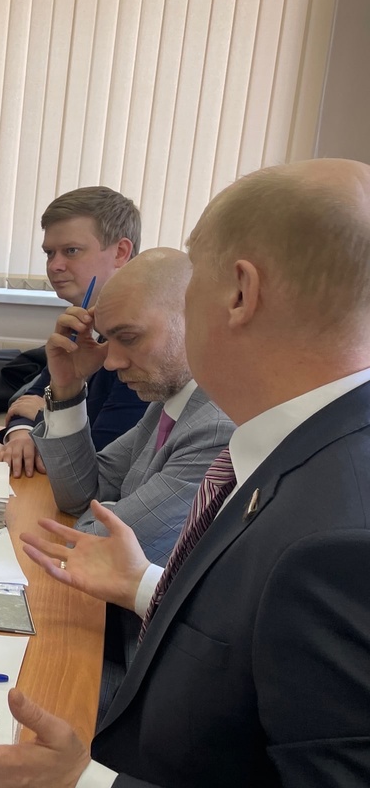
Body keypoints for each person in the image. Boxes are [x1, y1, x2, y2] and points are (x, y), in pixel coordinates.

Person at [0, 158, 370, 788]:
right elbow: (253, 645)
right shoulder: (300, 445)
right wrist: (145, 585)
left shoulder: (339, 540)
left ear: (240, 292)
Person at [31, 248, 234, 714]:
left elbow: (93, 544)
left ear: (195, 319)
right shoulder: (172, 402)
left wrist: (99, 514)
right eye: (107, 339)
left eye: (129, 338)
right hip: (106, 625)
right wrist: (66, 386)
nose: (110, 361)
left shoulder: (216, 427)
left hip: (139, 677)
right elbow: (81, 493)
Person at [0, 187, 148, 477]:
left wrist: (43, 415)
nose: (55, 266)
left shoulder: (142, 341)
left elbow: (103, 452)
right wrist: (21, 435)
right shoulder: (82, 322)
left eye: (71, 251)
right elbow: (29, 397)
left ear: (120, 252)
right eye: (49, 253)